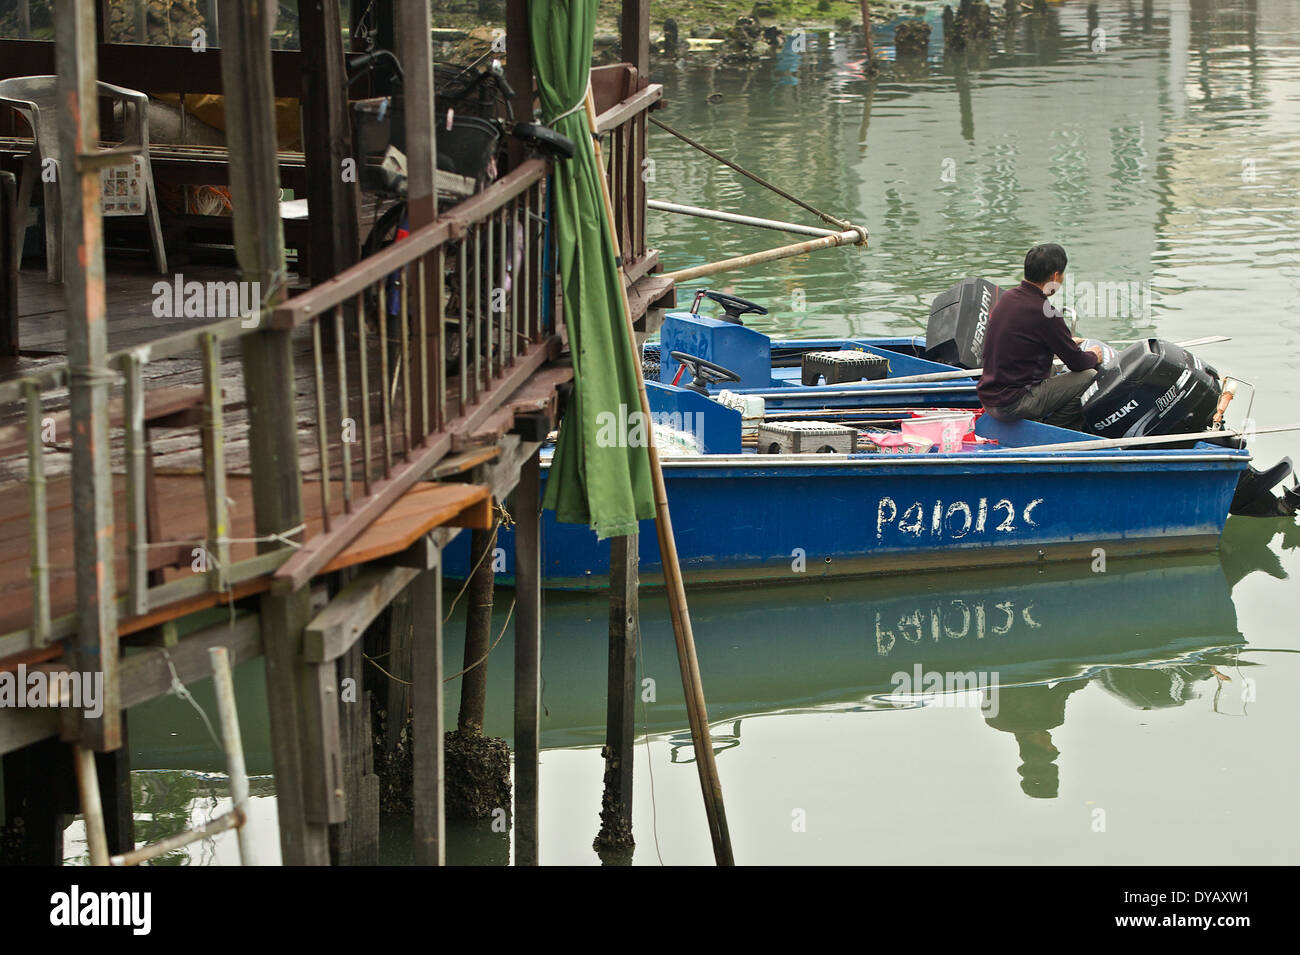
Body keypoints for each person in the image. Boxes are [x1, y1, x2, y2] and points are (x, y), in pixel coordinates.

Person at [977, 243, 1104, 432]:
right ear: (1055, 277)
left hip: (990, 398)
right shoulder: (1046, 313)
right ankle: (1052, 429)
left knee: (1052, 368)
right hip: (1012, 404)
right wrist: (1094, 355)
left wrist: (1067, 343)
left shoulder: (1008, 298)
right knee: (1088, 376)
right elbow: (1078, 363)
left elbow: (1025, 343)